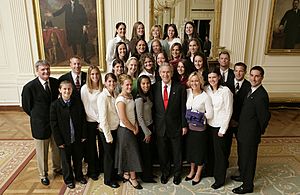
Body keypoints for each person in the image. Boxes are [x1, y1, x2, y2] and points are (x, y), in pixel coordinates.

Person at [21, 60, 61, 186]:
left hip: (54, 123)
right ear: (37, 71)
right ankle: (43, 174)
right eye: (43, 70)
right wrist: (38, 117)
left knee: (56, 149)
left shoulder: (55, 83)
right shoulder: (29, 87)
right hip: (40, 125)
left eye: (47, 69)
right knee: (42, 151)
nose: (46, 72)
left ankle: (57, 168)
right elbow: (27, 107)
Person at [232, 66, 271, 194]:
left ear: (262, 78)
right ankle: (243, 176)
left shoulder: (261, 95)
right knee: (243, 156)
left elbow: (264, 118)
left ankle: (248, 186)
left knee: (249, 160)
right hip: (243, 131)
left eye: (257, 76)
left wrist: (257, 132)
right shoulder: (251, 89)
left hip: (251, 134)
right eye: (252, 75)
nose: (253, 78)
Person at [153, 63, 188, 185]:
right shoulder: (154, 87)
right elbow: (153, 109)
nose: (165, 74)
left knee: (177, 151)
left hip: (176, 125)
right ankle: (165, 172)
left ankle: (177, 173)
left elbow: (183, 108)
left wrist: (184, 125)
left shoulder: (180, 88)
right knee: (163, 152)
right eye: (163, 72)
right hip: (160, 126)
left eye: (168, 72)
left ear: (172, 73)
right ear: (159, 73)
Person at [50, 80, 87, 189]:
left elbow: (83, 119)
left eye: (69, 89)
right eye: (64, 89)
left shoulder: (77, 102)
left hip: (76, 137)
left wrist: (83, 135)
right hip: (64, 140)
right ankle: (68, 179)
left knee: (77, 158)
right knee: (66, 161)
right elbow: (54, 125)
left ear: (72, 90)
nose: (67, 91)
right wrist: (59, 141)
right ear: (60, 90)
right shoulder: (55, 106)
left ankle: (79, 176)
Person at [206, 67, 233, 190]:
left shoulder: (225, 91)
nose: (212, 80)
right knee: (211, 152)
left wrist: (223, 129)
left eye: (214, 77)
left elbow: (229, 111)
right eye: (210, 77)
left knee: (220, 155)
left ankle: (220, 179)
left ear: (219, 77)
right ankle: (211, 172)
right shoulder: (207, 89)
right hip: (209, 126)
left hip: (221, 128)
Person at [115, 74, 143, 190]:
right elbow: (124, 119)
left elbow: (132, 114)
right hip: (125, 130)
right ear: (121, 85)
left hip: (132, 128)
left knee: (129, 153)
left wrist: (136, 124)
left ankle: (127, 174)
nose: (129, 87)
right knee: (132, 154)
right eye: (127, 84)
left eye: (131, 84)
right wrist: (134, 129)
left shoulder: (130, 96)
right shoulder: (120, 100)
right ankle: (133, 178)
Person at [185, 71, 213, 185]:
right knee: (191, 152)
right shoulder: (187, 93)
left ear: (200, 82)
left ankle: (198, 173)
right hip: (189, 129)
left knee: (199, 153)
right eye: (192, 81)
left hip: (200, 130)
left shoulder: (205, 96)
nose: (194, 83)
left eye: (196, 80)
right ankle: (192, 171)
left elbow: (210, 114)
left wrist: (198, 116)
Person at [80, 65, 103, 181]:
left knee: (103, 146)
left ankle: (102, 167)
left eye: (97, 74)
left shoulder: (102, 88)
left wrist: (102, 121)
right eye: (92, 74)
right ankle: (93, 170)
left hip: (102, 122)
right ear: (89, 76)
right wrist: (99, 120)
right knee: (91, 148)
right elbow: (87, 108)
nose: (95, 76)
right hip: (90, 122)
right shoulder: (84, 89)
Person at [226, 62, 251, 170]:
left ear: (245, 72)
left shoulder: (249, 86)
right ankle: (224, 166)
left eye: (241, 71)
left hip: (241, 122)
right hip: (227, 121)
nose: (238, 73)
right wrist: (229, 119)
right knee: (226, 146)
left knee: (242, 147)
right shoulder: (226, 84)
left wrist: (237, 120)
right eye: (236, 70)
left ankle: (242, 169)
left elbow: (248, 108)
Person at [97, 73, 120, 188]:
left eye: (113, 81)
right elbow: (103, 119)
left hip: (115, 129)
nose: (111, 83)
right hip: (106, 130)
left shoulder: (115, 93)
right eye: (109, 81)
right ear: (105, 83)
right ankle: (108, 179)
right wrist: (108, 136)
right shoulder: (102, 96)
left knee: (114, 154)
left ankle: (114, 175)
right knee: (108, 156)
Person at [135, 75, 156, 183]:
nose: (146, 85)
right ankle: (146, 177)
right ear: (139, 85)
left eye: (147, 83)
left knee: (149, 153)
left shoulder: (148, 96)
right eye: (143, 83)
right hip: (144, 129)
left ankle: (149, 173)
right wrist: (146, 133)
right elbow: (139, 118)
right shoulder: (139, 99)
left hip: (150, 126)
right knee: (145, 154)